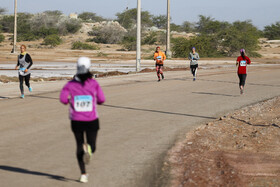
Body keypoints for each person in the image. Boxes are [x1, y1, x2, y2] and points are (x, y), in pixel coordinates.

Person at [60, 57, 105, 183]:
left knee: (79, 145)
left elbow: (63, 100)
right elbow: (102, 99)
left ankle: (83, 174)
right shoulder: (94, 83)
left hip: (76, 120)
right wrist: (93, 100)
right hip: (91, 119)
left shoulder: (70, 84)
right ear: (89, 67)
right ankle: (89, 150)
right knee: (92, 145)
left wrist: (70, 101)